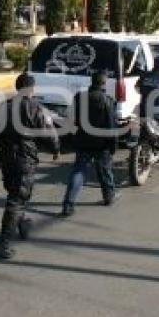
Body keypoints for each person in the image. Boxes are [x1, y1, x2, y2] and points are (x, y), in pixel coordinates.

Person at [0, 74, 60, 259]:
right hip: (24, 159)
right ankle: (3, 244)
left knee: (17, 192)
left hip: (6, 158)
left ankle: (22, 223)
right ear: (32, 89)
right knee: (16, 199)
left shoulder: (3, 108)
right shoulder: (37, 109)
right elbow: (50, 134)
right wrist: (55, 149)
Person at [60, 71, 120, 217]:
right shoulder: (108, 100)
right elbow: (112, 126)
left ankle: (68, 205)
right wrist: (113, 145)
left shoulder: (79, 97)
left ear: (91, 81)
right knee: (105, 171)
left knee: (78, 172)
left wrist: (72, 136)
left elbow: (70, 119)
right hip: (102, 143)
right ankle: (109, 197)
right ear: (104, 83)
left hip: (83, 141)